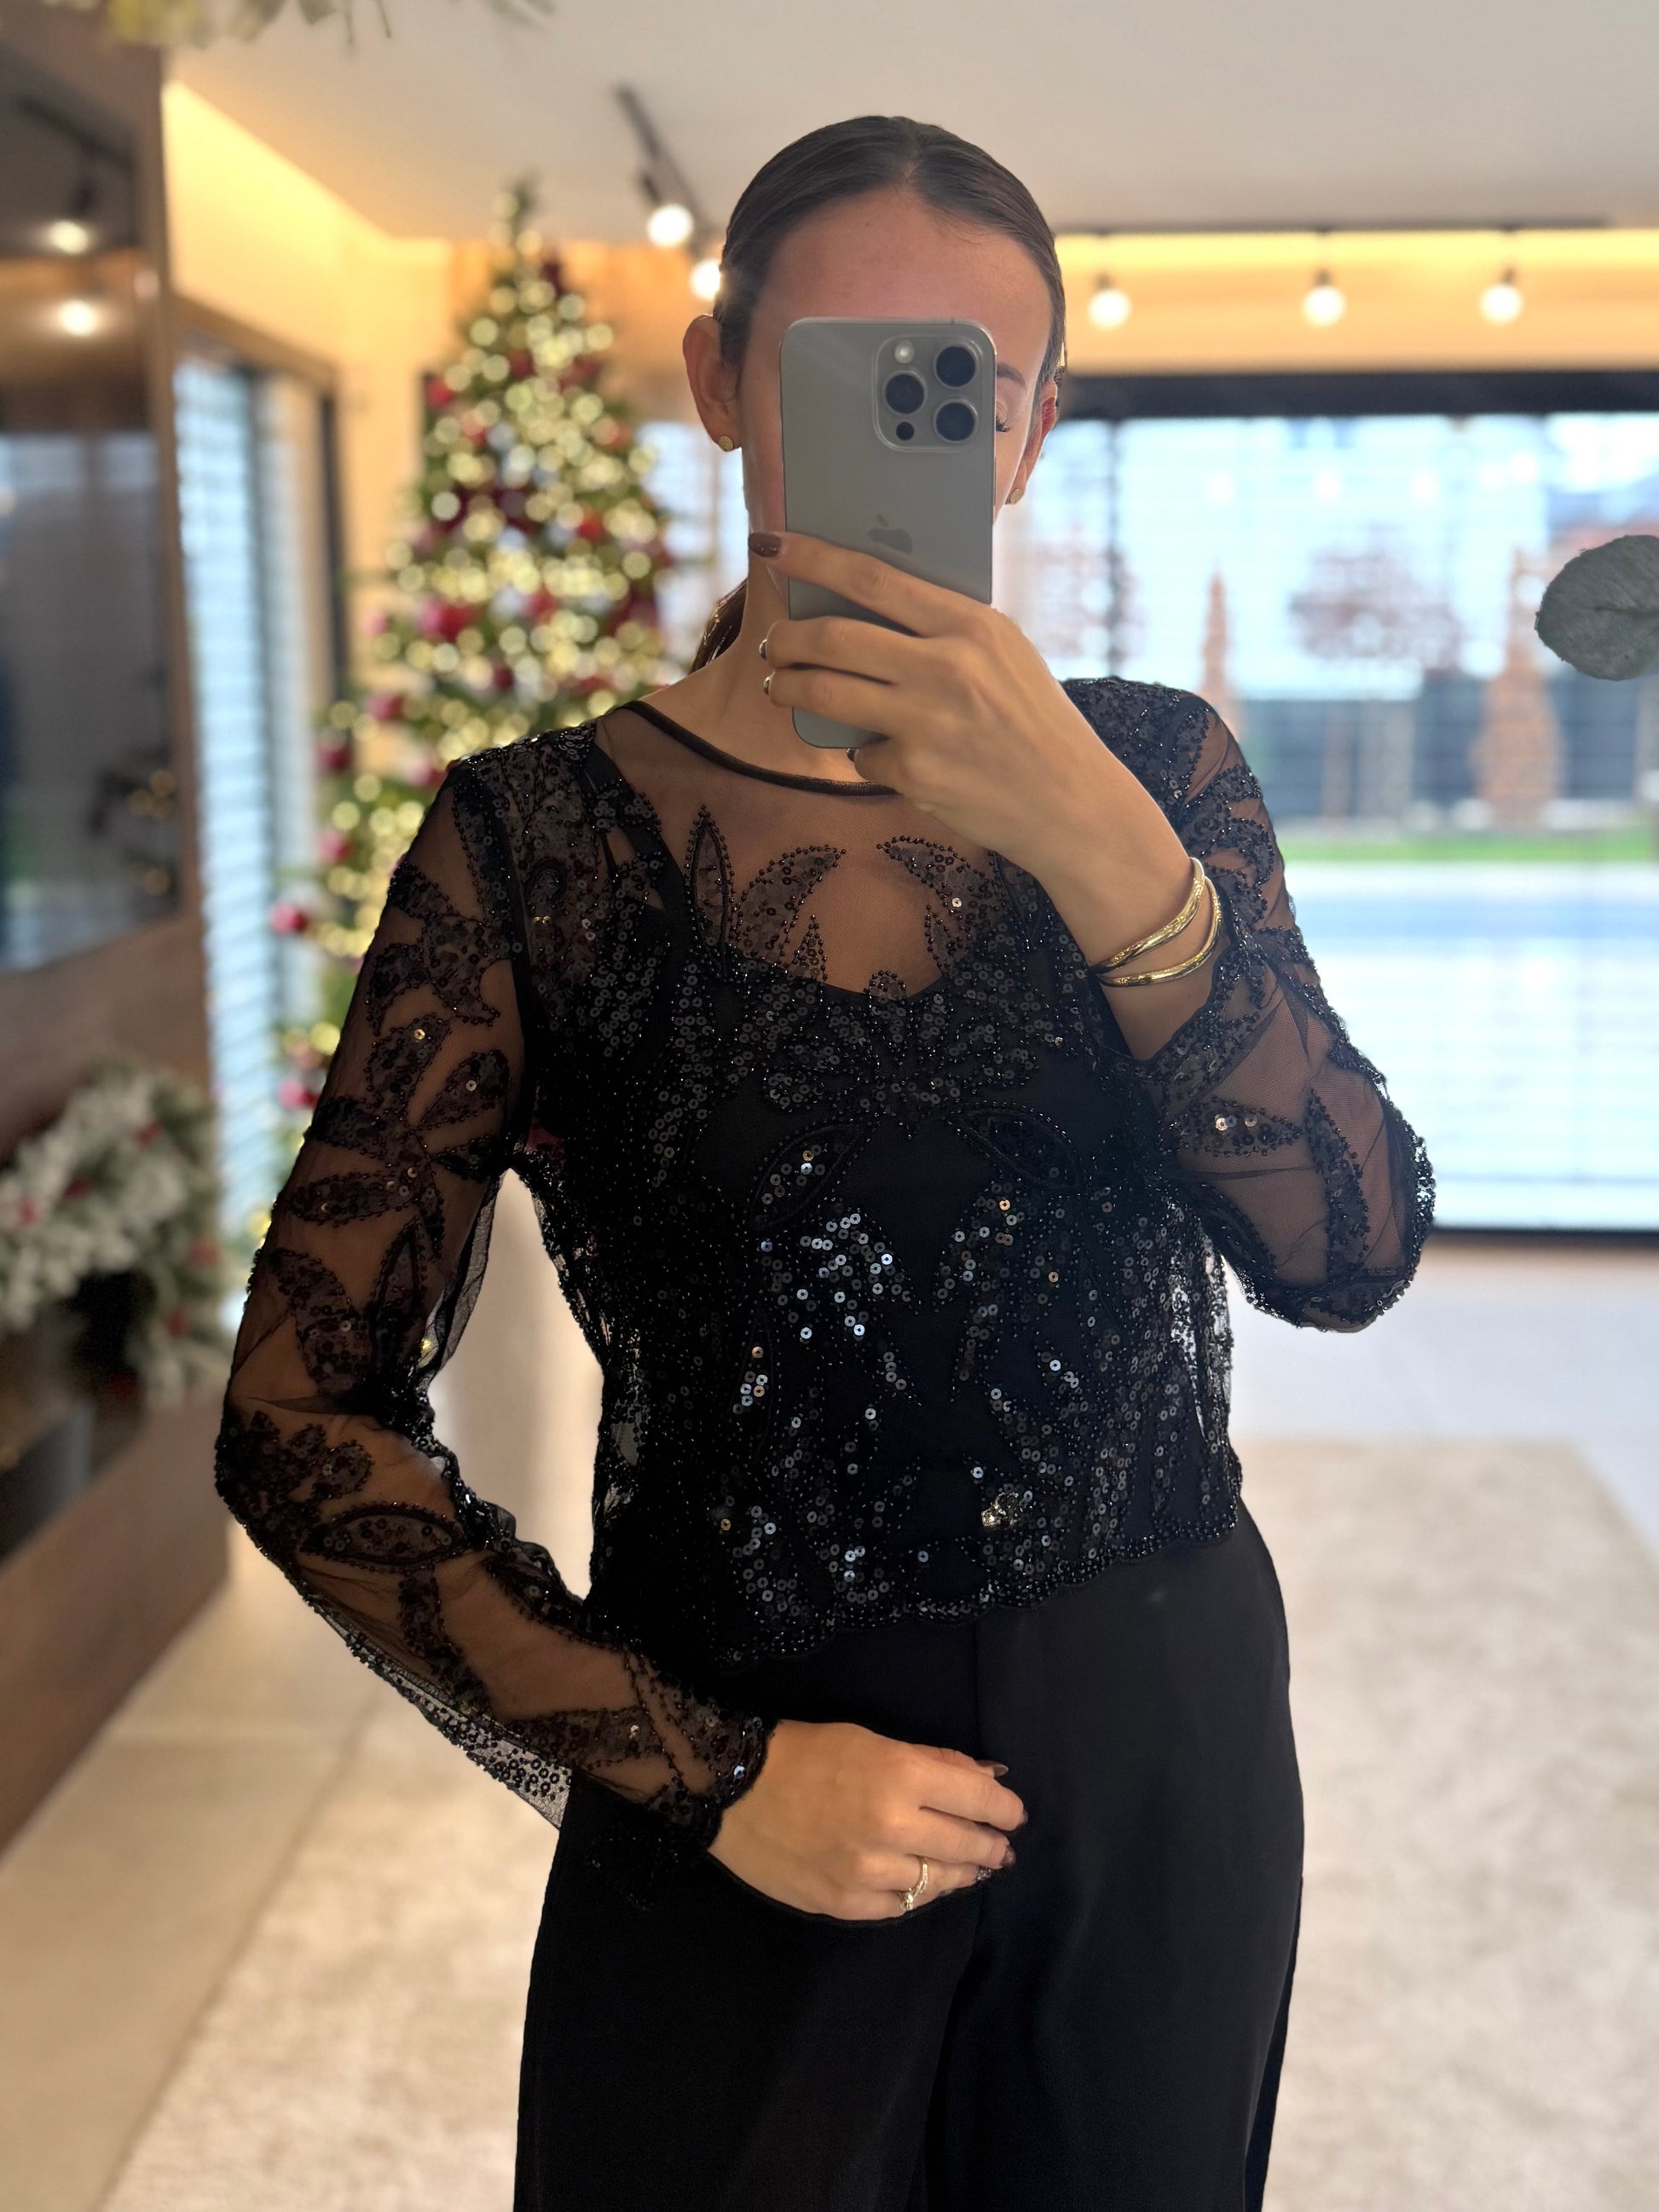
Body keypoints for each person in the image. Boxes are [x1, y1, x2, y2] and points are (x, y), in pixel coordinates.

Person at [214, 114, 1433, 2212]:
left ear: (1029, 433)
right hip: (744, 1764)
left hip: (1165, 1752)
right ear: (721, 382)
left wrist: (1104, 850)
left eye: (967, 383)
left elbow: (1349, 1247)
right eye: (846, 369)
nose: (912, 423)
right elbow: (295, 1409)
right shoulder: (535, 845)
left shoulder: (1158, 770)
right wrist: (703, 1773)